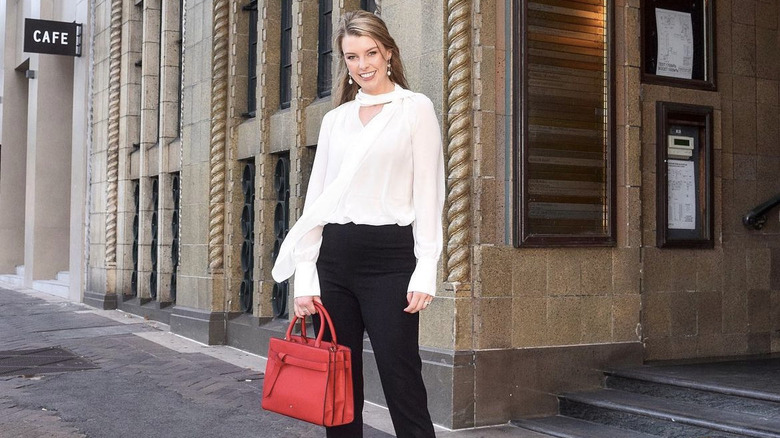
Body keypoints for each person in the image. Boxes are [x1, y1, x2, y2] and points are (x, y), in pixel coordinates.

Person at [271, 9, 444, 438]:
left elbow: (429, 193)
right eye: (352, 57)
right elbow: (317, 203)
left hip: (391, 259)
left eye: (371, 53)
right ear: (344, 62)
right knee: (338, 384)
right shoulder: (336, 120)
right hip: (335, 259)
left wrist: (426, 268)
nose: (363, 65)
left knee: (401, 377)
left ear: (388, 53)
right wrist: (306, 277)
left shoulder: (415, 109)